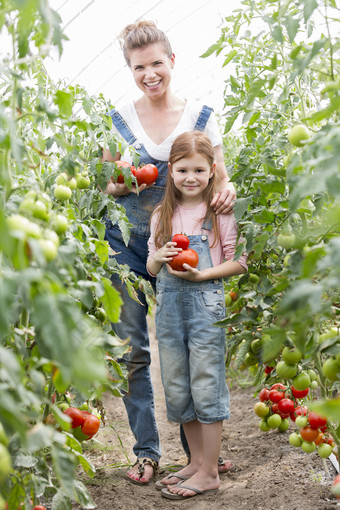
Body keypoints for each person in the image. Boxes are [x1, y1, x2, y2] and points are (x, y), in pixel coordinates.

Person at [103, 20, 236, 485]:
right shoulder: (119, 116)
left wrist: (228, 188)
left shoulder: (200, 114)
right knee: (134, 351)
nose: (150, 73)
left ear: (172, 62)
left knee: (186, 344)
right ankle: (145, 451)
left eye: (157, 63)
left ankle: (198, 458)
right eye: (140, 67)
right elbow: (109, 184)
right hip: (129, 246)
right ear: (131, 69)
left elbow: (221, 174)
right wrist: (124, 180)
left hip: (182, 246)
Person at [146, 131, 247, 499]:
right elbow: (152, 264)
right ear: (171, 171)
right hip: (170, 308)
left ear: (212, 171)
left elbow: (240, 262)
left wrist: (202, 273)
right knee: (177, 385)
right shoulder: (163, 213)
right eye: (183, 170)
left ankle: (209, 472)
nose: (191, 178)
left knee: (205, 382)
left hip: (206, 305)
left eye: (199, 171)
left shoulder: (221, 213)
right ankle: (195, 462)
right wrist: (160, 256)